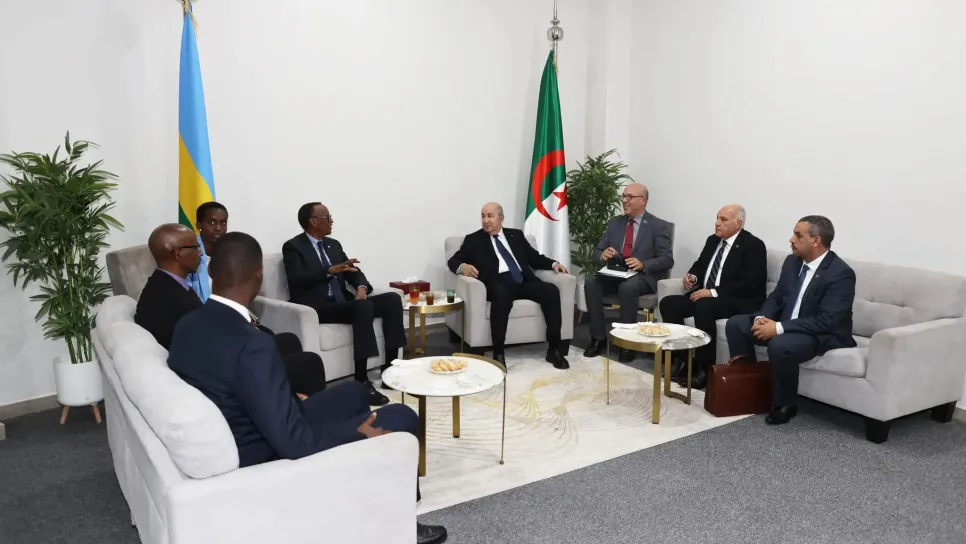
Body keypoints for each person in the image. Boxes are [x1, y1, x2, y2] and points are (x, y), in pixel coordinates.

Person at [167, 232, 447, 544]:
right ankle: (401, 525)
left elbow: (232, 383)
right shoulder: (252, 343)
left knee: (354, 392)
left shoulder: (188, 324)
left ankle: (360, 494)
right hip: (262, 448)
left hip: (248, 423)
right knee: (402, 416)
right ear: (258, 275)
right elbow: (295, 443)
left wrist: (283, 397)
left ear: (210, 270)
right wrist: (360, 434)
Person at [136, 223, 327, 397]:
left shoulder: (165, 284)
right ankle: (298, 409)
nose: (200, 253)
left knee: (288, 340)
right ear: (178, 253)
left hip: (214, 357)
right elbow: (211, 346)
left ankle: (287, 398)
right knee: (309, 362)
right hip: (217, 375)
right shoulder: (171, 297)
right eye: (195, 247)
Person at [725, 215, 856, 425]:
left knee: (780, 344)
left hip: (819, 333)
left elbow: (827, 320)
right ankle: (749, 388)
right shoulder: (792, 262)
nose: (791, 240)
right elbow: (777, 296)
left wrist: (778, 328)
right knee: (737, 324)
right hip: (787, 323)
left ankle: (785, 404)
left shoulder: (840, 273)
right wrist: (762, 317)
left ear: (816, 240)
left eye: (798, 235)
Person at [282, 203, 405, 407]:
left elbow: (352, 271)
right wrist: (328, 271)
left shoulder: (333, 245)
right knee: (363, 307)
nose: (332, 221)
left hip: (344, 303)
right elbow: (297, 280)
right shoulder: (293, 247)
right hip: (319, 307)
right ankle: (361, 381)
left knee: (392, 299)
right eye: (327, 217)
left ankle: (390, 371)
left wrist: (361, 288)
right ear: (313, 221)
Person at [446, 202, 571, 368]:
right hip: (497, 283)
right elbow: (453, 261)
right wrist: (463, 267)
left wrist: (554, 264)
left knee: (551, 290)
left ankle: (554, 349)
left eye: (490, 216)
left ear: (501, 218)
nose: (485, 220)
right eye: (483, 216)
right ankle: (498, 353)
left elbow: (534, 258)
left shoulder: (516, 235)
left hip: (523, 281)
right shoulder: (473, 240)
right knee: (501, 293)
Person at [658, 204, 767, 389]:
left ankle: (705, 370)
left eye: (723, 219)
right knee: (669, 303)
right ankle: (684, 362)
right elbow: (701, 265)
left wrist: (713, 292)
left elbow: (750, 282)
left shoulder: (753, 245)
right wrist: (693, 276)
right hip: (708, 297)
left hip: (737, 300)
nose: (717, 223)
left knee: (704, 306)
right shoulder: (713, 240)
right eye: (717, 218)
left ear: (738, 223)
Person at [582, 183, 674, 362]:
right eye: (623, 196)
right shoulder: (615, 223)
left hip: (642, 276)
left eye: (630, 197)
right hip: (616, 273)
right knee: (591, 282)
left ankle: (627, 342)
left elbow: (667, 259)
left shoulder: (658, 226)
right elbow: (597, 252)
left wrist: (643, 264)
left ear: (643, 200)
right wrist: (603, 255)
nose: (625, 200)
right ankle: (598, 338)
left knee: (628, 287)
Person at [186, 201, 229, 301]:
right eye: (212, 222)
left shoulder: (230, 254)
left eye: (223, 223)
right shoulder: (188, 253)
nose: (218, 228)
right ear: (198, 225)